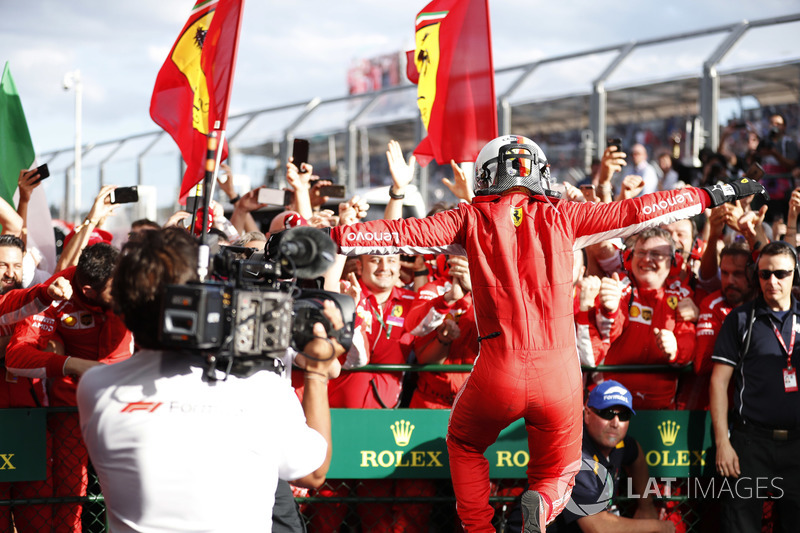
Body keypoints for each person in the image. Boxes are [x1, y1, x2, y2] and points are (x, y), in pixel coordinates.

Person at [327, 134, 766, 532]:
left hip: (497, 368)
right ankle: (544, 499)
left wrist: (326, 235)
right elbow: (641, 209)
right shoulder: (565, 215)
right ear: (539, 172)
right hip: (559, 373)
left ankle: (480, 529)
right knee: (560, 468)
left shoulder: (468, 217)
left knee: (463, 442)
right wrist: (712, 193)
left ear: (485, 175)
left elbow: (395, 234)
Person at [76, 227, 345, 532]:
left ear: (121, 306)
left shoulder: (97, 387)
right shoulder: (261, 388)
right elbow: (313, 473)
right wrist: (317, 372)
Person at [5, 242, 133, 532]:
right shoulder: (56, 292)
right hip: (71, 405)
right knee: (70, 490)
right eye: (117, 290)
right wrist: (71, 364)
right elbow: (16, 356)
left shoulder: (133, 283)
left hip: (126, 404)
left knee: (130, 486)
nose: (127, 294)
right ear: (88, 292)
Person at [710, 240, 800, 531]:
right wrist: (723, 442)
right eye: (764, 274)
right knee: (739, 525)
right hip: (751, 443)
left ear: (794, 273)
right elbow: (719, 381)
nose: (772, 281)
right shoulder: (739, 319)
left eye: (781, 274)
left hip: (798, 443)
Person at [508, 381, 673, 533]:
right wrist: (657, 526)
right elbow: (598, 527)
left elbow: (635, 454)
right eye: (607, 414)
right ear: (587, 414)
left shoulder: (618, 443)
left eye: (623, 416)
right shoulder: (576, 455)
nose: (615, 423)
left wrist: (646, 505)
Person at [590, 228, 697, 409]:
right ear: (630, 258)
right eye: (641, 253)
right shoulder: (619, 286)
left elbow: (689, 342)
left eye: (656, 254)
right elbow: (608, 332)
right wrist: (610, 310)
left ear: (674, 262)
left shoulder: (682, 294)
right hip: (613, 403)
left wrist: (676, 349)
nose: (647, 259)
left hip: (661, 409)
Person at [677, 242, 752, 410]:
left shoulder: (763, 305)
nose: (729, 280)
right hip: (711, 408)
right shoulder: (712, 304)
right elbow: (702, 363)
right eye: (724, 273)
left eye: (738, 274)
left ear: (752, 274)